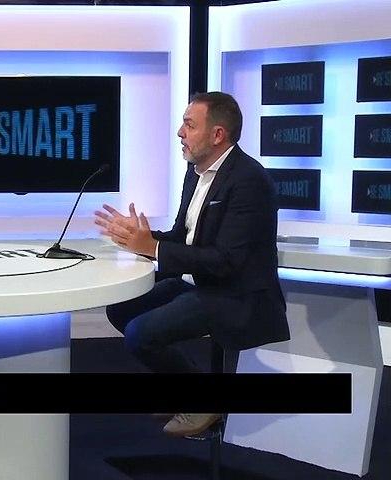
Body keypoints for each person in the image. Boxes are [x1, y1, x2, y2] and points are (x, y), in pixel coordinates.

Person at [94, 92, 289, 437]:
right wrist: (139, 238)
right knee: (120, 310)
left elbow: (227, 261)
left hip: (237, 296)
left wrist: (153, 247)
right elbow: (183, 237)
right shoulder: (195, 172)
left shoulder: (249, 181)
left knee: (140, 334)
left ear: (217, 135)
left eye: (189, 125)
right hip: (203, 283)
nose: (180, 132)